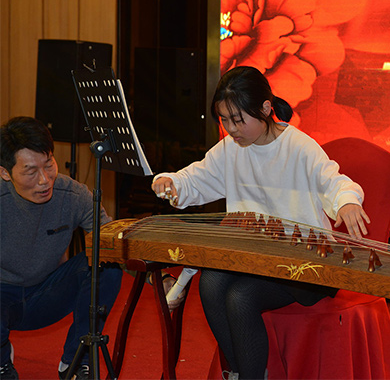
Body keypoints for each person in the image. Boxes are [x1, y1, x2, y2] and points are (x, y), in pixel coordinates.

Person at [152, 66, 371, 379]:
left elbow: (334, 182)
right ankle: (241, 373)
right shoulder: (231, 149)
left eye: (238, 119)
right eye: (224, 120)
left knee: (241, 298)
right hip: (254, 258)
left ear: (266, 108)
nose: (231, 129)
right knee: (211, 282)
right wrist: (171, 182)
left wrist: (347, 202)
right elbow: (196, 178)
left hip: (305, 263)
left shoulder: (299, 147)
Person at [0, 117, 181, 380]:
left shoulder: (73, 195)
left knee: (104, 264)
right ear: (5, 172)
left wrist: (158, 278)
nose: (44, 180)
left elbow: (113, 243)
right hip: (3, 297)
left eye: (49, 164)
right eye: (30, 171)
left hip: (45, 295)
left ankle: (76, 360)